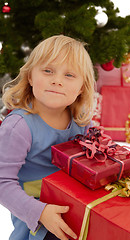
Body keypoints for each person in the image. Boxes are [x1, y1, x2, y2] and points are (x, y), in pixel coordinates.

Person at [0, 35, 95, 240]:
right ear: (30, 77)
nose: (57, 80)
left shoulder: (80, 120)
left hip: (77, 204)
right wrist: (39, 212)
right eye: (48, 71)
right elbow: (2, 182)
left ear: (81, 88)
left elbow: (94, 158)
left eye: (69, 75)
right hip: (37, 213)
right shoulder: (18, 126)